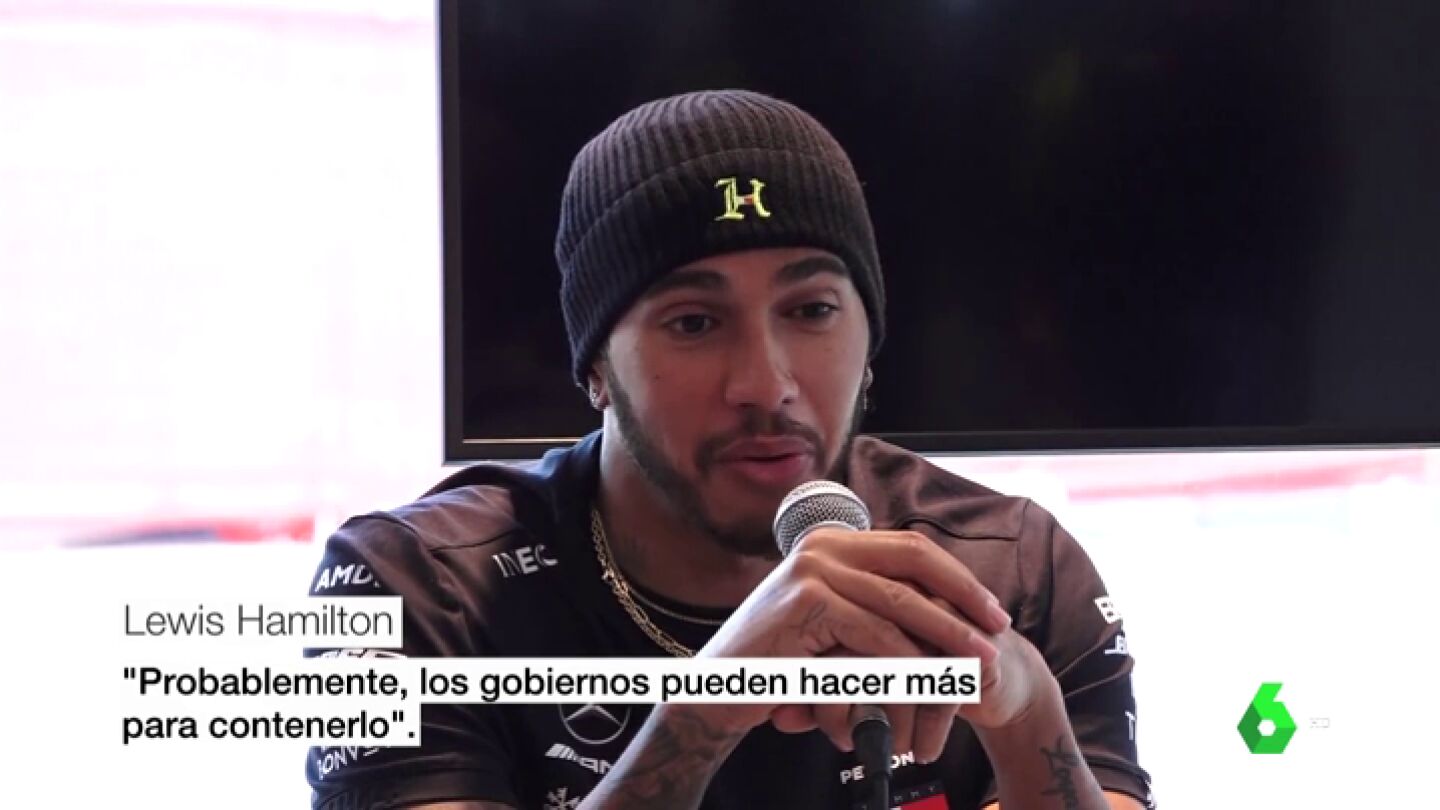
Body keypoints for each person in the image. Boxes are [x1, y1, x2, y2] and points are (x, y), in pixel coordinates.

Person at [304, 89, 1154, 810]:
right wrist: (706, 708)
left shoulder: (1010, 573)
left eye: (812, 310)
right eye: (694, 322)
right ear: (597, 368)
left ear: (869, 341)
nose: (765, 383)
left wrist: (1026, 713)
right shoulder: (412, 589)